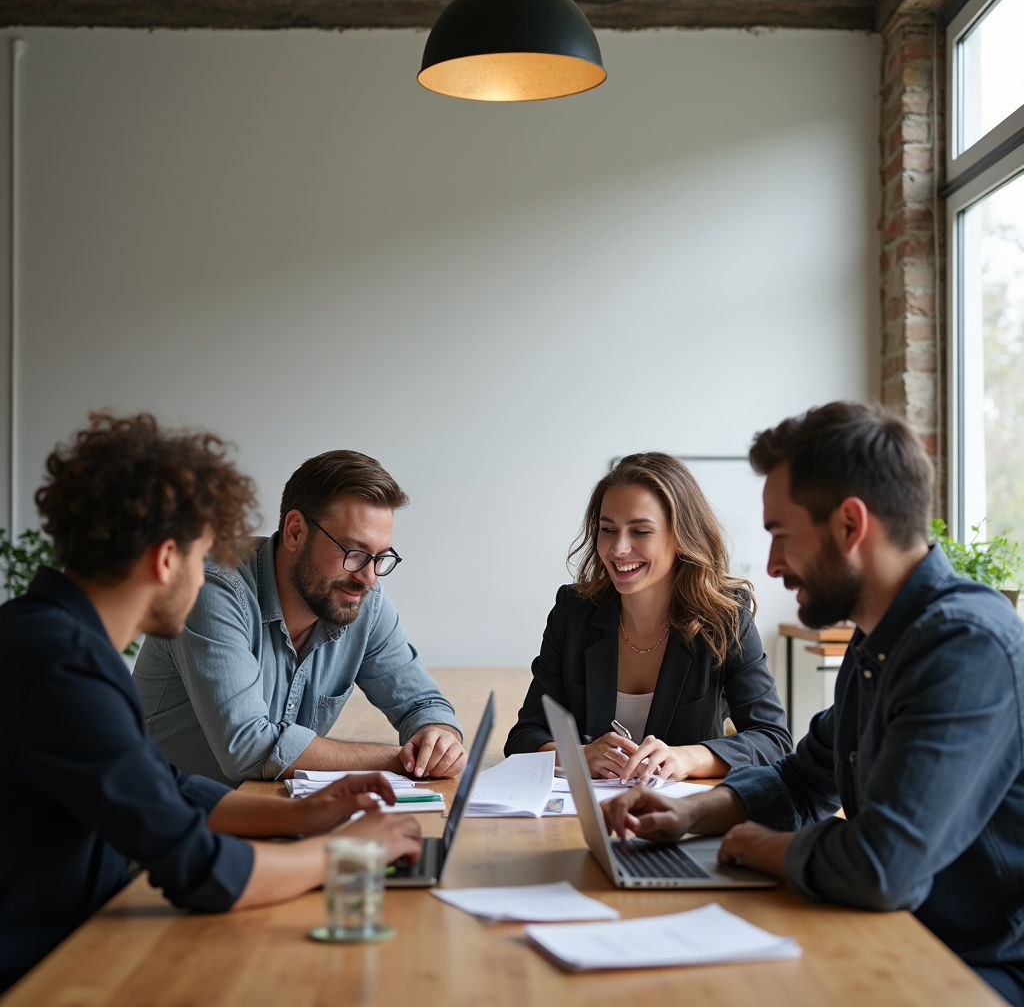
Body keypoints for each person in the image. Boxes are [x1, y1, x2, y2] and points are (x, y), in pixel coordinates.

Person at [602, 403, 1024, 1006]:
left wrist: (758, 845)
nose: (772, 566)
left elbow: (882, 867)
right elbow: (804, 780)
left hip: (967, 968)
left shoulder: (965, 645)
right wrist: (693, 816)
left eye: (780, 534)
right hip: (884, 936)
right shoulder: (879, 635)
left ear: (850, 525)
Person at [1, 413, 423, 994]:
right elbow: (197, 867)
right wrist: (345, 853)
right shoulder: (60, 666)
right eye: (202, 557)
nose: (207, 580)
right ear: (165, 559)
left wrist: (301, 814)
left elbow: (161, 788)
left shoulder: (55, 640)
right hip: (50, 969)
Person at [134, 449, 466, 787]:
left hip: (266, 812)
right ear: (295, 532)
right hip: (162, 821)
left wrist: (437, 737)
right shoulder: (211, 590)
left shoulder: (361, 599)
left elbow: (423, 703)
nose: (369, 577)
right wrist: (401, 760)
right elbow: (248, 748)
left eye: (381, 557)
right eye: (354, 552)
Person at [505, 452, 792, 781]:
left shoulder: (725, 616)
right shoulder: (574, 610)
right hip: (586, 817)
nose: (618, 549)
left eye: (640, 532)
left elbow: (773, 740)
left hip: (687, 817)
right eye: (608, 530)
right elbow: (524, 738)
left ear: (681, 538)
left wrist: (687, 757)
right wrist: (578, 756)